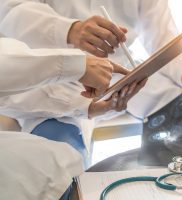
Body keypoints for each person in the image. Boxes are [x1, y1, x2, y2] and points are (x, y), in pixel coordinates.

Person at [0, 0, 182, 166]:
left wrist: (181, 69)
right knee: (62, 161)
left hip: (122, 72)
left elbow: (160, 29)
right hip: (54, 78)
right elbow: (11, 11)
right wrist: (70, 31)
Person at [0, 37, 130, 200]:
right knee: (57, 166)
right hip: (50, 152)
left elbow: (11, 91)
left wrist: (85, 106)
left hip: (65, 108)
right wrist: (76, 65)